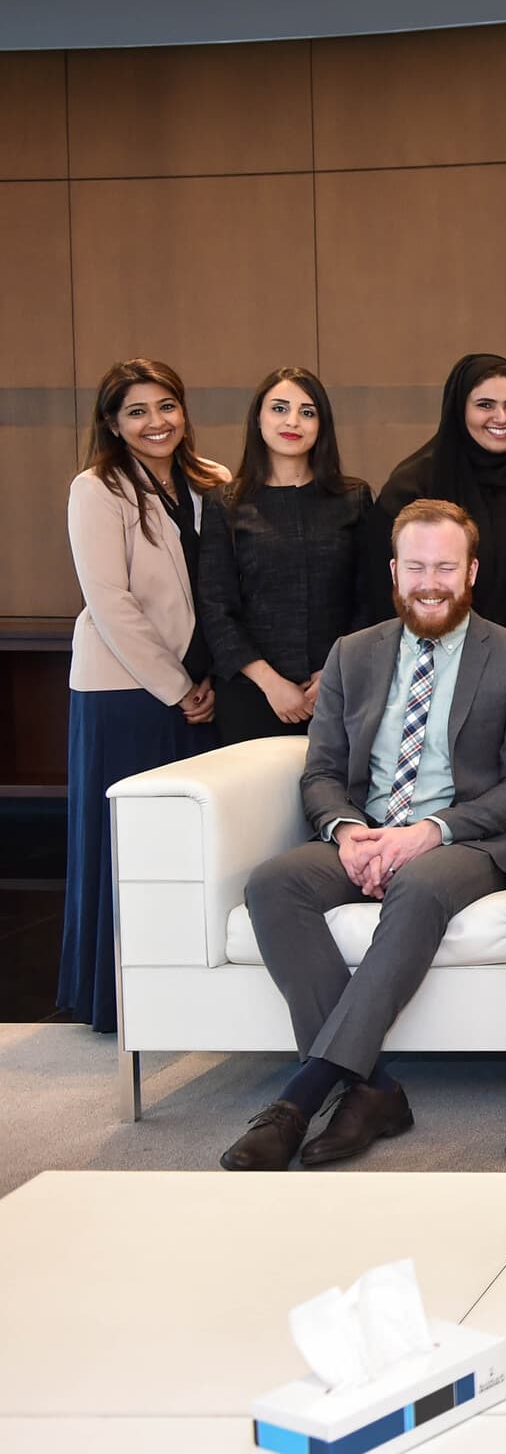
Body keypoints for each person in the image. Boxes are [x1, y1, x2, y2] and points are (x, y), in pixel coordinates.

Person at [220, 500, 506, 1171]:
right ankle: (372, 1089)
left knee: (420, 887)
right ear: (395, 573)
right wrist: (348, 833)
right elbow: (319, 773)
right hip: (365, 833)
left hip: (461, 847)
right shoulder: (353, 653)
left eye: (446, 567)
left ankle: (302, 1094)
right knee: (273, 883)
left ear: (472, 573)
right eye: (417, 566)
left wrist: (428, 832)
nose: (431, 581)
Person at [62, 360, 229, 1031]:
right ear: (112, 421)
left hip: (201, 686)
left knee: (186, 849)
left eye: (167, 406)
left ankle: (186, 994)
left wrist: (208, 677)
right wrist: (177, 685)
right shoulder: (96, 489)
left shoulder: (209, 480)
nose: (155, 422)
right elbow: (110, 602)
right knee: (127, 850)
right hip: (127, 691)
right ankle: (115, 1000)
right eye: (136, 411)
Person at [197, 366, 369, 745]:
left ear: (322, 425)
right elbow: (215, 606)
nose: (293, 421)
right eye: (279, 408)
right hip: (251, 692)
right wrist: (270, 683)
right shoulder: (225, 504)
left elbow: (368, 598)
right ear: (258, 419)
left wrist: (336, 672)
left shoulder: (353, 498)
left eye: (307, 412)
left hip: (338, 690)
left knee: (333, 800)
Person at [365, 353, 506, 641]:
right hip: (433, 663)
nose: (501, 418)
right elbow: (380, 595)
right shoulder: (413, 488)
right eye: (485, 405)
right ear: (459, 410)